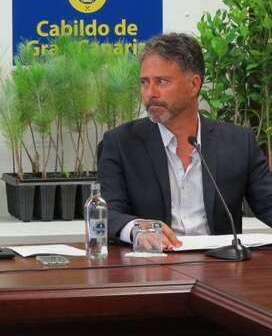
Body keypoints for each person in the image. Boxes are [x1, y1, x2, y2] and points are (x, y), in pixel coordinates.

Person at [98, 33, 272, 250]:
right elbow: (105, 214)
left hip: (221, 269)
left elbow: (268, 204)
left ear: (193, 85)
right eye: (144, 82)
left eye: (162, 81)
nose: (150, 93)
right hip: (153, 268)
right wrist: (136, 228)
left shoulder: (238, 142)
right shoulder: (121, 143)